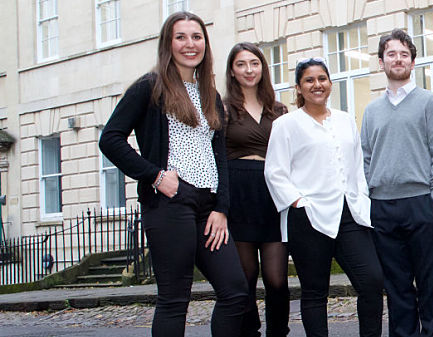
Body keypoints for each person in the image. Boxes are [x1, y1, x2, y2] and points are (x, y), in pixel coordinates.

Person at [98, 11, 248, 337]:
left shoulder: (211, 95)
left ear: (205, 45)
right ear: (168, 43)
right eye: (181, 37)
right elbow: (110, 139)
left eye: (197, 37)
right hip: (170, 204)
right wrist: (154, 176)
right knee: (174, 300)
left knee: (236, 292)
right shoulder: (149, 87)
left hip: (207, 209)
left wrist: (222, 208)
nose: (190, 44)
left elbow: (219, 156)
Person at [264, 57, 385, 337]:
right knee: (315, 291)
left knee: (371, 280)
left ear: (330, 83)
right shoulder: (286, 125)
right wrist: (299, 203)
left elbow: (357, 167)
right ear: (299, 87)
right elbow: (275, 172)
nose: (317, 85)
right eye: (309, 80)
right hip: (309, 217)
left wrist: (361, 199)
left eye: (322, 79)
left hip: (349, 214)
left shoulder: (344, 120)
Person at [361, 28, 433, 337]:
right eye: (391, 54)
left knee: (430, 282)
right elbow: (366, 156)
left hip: (422, 204)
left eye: (404, 54)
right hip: (383, 208)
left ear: (412, 62)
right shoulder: (371, 111)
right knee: (397, 286)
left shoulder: (429, 103)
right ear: (380, 61)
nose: (397, 59)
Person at [222, 42, 290, 337]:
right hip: (238, 193)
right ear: (232, 71)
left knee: (276, 278)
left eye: (254, 63)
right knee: (246, 276)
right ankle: (249, 331)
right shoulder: (222, 109)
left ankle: (278, 332)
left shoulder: (279, 110)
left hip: (272, 194)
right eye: (241, 64)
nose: (248, 70)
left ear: (263, 68)